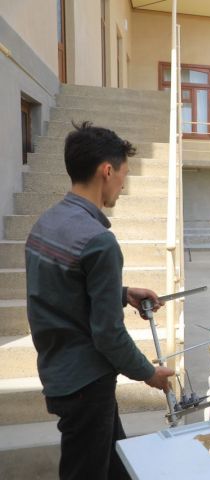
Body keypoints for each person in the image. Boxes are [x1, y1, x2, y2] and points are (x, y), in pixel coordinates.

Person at [25, 121, 174, 480]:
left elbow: (62, 289)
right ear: (107, 171)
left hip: (59, 371)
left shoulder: (46, 223)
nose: (123, 185)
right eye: (124, 175)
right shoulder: (98, 241)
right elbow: (108, 334)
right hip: (86, 386)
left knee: (116, 463)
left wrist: (121, 293)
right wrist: (148, 373)